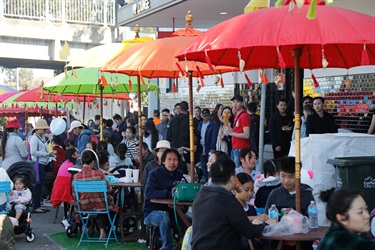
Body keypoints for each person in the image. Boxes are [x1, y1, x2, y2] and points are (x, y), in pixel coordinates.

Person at [191, 158, 272, 249]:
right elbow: (249, 231)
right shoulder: (228, 200)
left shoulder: (200, 194)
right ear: (233, 178)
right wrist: (267, 224)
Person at [143, 148, 186, 250]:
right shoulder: (154, 174)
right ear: (163, 161)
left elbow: (183, 191)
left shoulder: (179, 175)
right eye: (169, 159)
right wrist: (168, 193)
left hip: (174, 212)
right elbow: (149, 192)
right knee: (163, 217)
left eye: (175, 160)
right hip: (152, 212)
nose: (172, 162)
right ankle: (167, 247)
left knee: (192, 222)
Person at [72, 150, 118, 239]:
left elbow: (74, 195)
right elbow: (109, 189)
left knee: (96, 201)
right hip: (101, 205)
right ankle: (102, 231)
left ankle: (92, 226)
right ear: (93, 162)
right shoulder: (99, 174)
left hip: (83, 206)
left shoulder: (76, 177)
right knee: (103, 201)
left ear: (82, 162)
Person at [235, 173, 269, 250]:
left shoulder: (251, 208)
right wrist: (257, 217)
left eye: (252, 190)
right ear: (235, 189)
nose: (250, 193)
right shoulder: (232, 207)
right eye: (246, 190)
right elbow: (237, 220)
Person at [29, 119, 56, 213]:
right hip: (38, 163)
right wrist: (47, 154)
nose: (45, 131)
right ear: (38, 129)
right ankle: (36, 205)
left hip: (43, 163)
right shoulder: (34, 138)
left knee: (40, 185)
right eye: (43, 129)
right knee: (37, 185)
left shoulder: (42, 137)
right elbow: (33, 152)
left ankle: (38, 204)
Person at [50, 148, 79, 219]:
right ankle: (72, 214)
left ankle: (68, 213)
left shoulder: (64, 163)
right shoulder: (74, 165)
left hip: (58, 189)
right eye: (77, 153)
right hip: (68, 188)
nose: (79, 154)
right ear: (73, 155)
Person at [224, 94, 251, 168]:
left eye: (237, 102)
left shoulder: (244, 116)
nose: (235, 104)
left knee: (239, 170)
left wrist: (231, 133)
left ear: (242, 103)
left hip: (241, 148)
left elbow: (246, 134)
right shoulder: (237, 115)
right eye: (233, 102)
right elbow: (236, 131)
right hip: (235, 147)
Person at [198, 108, 219, 183]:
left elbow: (214, 136)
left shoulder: (213, 124)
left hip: (209, 147)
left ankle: (211, 181)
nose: (206, 117)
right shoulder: (200, 123)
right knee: (203, 165)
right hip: (201, 147)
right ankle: (207, 180)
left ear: (209, 116)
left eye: (207, 116)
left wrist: (212, 147)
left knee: (210, 165)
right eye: (204, 116)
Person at [42, 135, 66, 201]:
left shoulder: (51, 151)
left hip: (52, 171)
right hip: (60, 172)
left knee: (41, 182)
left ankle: (48, 194)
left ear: (52, 142)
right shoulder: (63, 151)